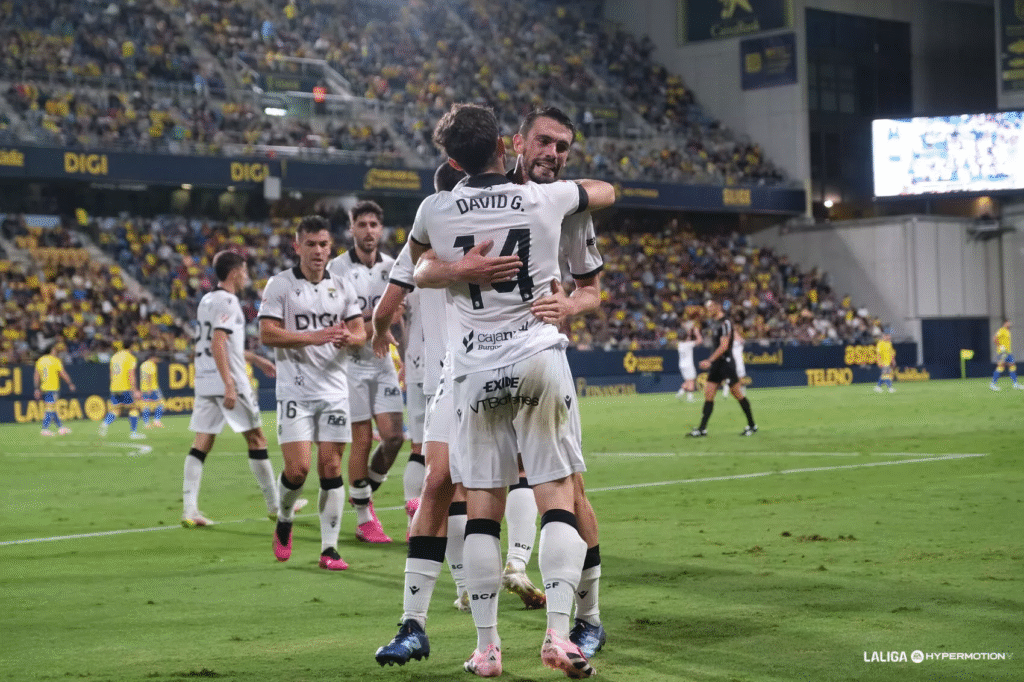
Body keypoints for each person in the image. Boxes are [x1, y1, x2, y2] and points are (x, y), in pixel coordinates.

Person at [407, 103, 614, 678]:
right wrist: (460, 272)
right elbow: (421, 269)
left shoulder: (565, 210)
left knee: (567, 490)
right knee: (456, 482)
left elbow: (593, 289)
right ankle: (521, 625)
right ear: (515, 144)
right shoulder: (515, 199)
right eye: (545, 143)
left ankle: (585, 617)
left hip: (509, 361)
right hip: (481, 367)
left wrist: (569, 303)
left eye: (564, 148)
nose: (554, 155)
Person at [259, 216, 366, 570]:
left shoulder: (343, 285)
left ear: (329, 246)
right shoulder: (281, 285)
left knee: (332, 466)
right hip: (296, 391)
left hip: (335, 390)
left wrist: (352, 338)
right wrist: (312, 337)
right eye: (311, 244)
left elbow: (359, 331)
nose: (318, 251)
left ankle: (329, 549)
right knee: (299, 469)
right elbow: (267, 334)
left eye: (323, 244)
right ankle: (285, 517)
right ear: (297, 246)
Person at [182, 251, 287, 528]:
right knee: (257, 439)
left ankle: (189, 509)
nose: (247, 275)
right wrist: (229, 383)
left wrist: (257, 360)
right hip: (228, 380)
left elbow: (222, 344)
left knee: (202, 442)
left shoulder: (207, 300)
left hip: (205, 379)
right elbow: (218, 343)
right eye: (245, 269)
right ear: (234, 272)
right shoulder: (228, 301)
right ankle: (276, 506)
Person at [327, 200, 404, 544]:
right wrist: (381, 317)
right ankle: (363, 519)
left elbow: (398, 313)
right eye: (363, 224)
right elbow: (343, 323)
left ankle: (364, 494)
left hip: (383, 361)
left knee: (394, 438)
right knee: (360, 440)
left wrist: (374, 318)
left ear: (381, 229)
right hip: (350, 365)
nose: (369, 230)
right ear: (352, 229)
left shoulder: (393, 266)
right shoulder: (336, 269)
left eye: (374, 224)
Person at [688, 300, 758, 437]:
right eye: (707, 308)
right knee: (708, 394)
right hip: (716, 365)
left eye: (710, 307)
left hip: (726, 363)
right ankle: (702, 429)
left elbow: (724, 346)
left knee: (737, 394)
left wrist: (710, 360)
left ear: (717, 307)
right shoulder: (714, 323)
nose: (708, 310)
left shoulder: (725, 323)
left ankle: (752, 425)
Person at [99, 342, 145, 439]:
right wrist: (135, 390)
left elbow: (111, 374)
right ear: (131, 346)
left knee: (116, 410)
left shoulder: (114, 357)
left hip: (114, 387)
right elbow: (131, 374)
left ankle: (105, 424)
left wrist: (113, 386)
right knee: (133, 409)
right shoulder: (130, 357)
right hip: (125, 387)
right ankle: (134, 433)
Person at [34, 345, 75, 436]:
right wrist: (70, 383)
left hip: (43, 388)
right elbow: (63, 373)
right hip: (52, 388)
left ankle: (61, 427)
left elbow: (36, 375)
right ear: (52, 350)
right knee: (50, 409)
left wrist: (36, 388)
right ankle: (45, 429)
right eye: (54, 349)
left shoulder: (40, 360)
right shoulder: (55, 360)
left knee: (52, 408)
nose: (56, 351)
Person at [989, 319, 1021, 391]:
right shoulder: (1001, 330)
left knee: (1012, 366)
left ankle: (1015, 384)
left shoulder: (1008, 331)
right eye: (1008, 323)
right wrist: (1000, 346)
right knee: (1001, 367)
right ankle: (992, 384)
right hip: (1003, 352)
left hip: (1008, 352)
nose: (1010, 324)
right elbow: (994, 338)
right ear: (1005, 323)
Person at [676, 321, 702, 402]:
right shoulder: (688, 344)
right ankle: (690, 398)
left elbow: (686, 337)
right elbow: (700, 341)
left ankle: (679, 394)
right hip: (688, 365)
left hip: (682, 365)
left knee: (687, 380)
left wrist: (689, 331)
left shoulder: (680, 344)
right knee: (691, 381)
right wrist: (697, 332)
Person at [139, 353, 165, 428]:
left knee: (146, 406)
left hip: (143, 388)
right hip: (153, 388)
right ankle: (156, 421)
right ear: (152, 357)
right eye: (156, 358)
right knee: (161, 404)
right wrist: (149, 388)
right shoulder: (151, 365)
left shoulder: (143, 365)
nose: (157, 360)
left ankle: (146, 423)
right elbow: (149, 376)